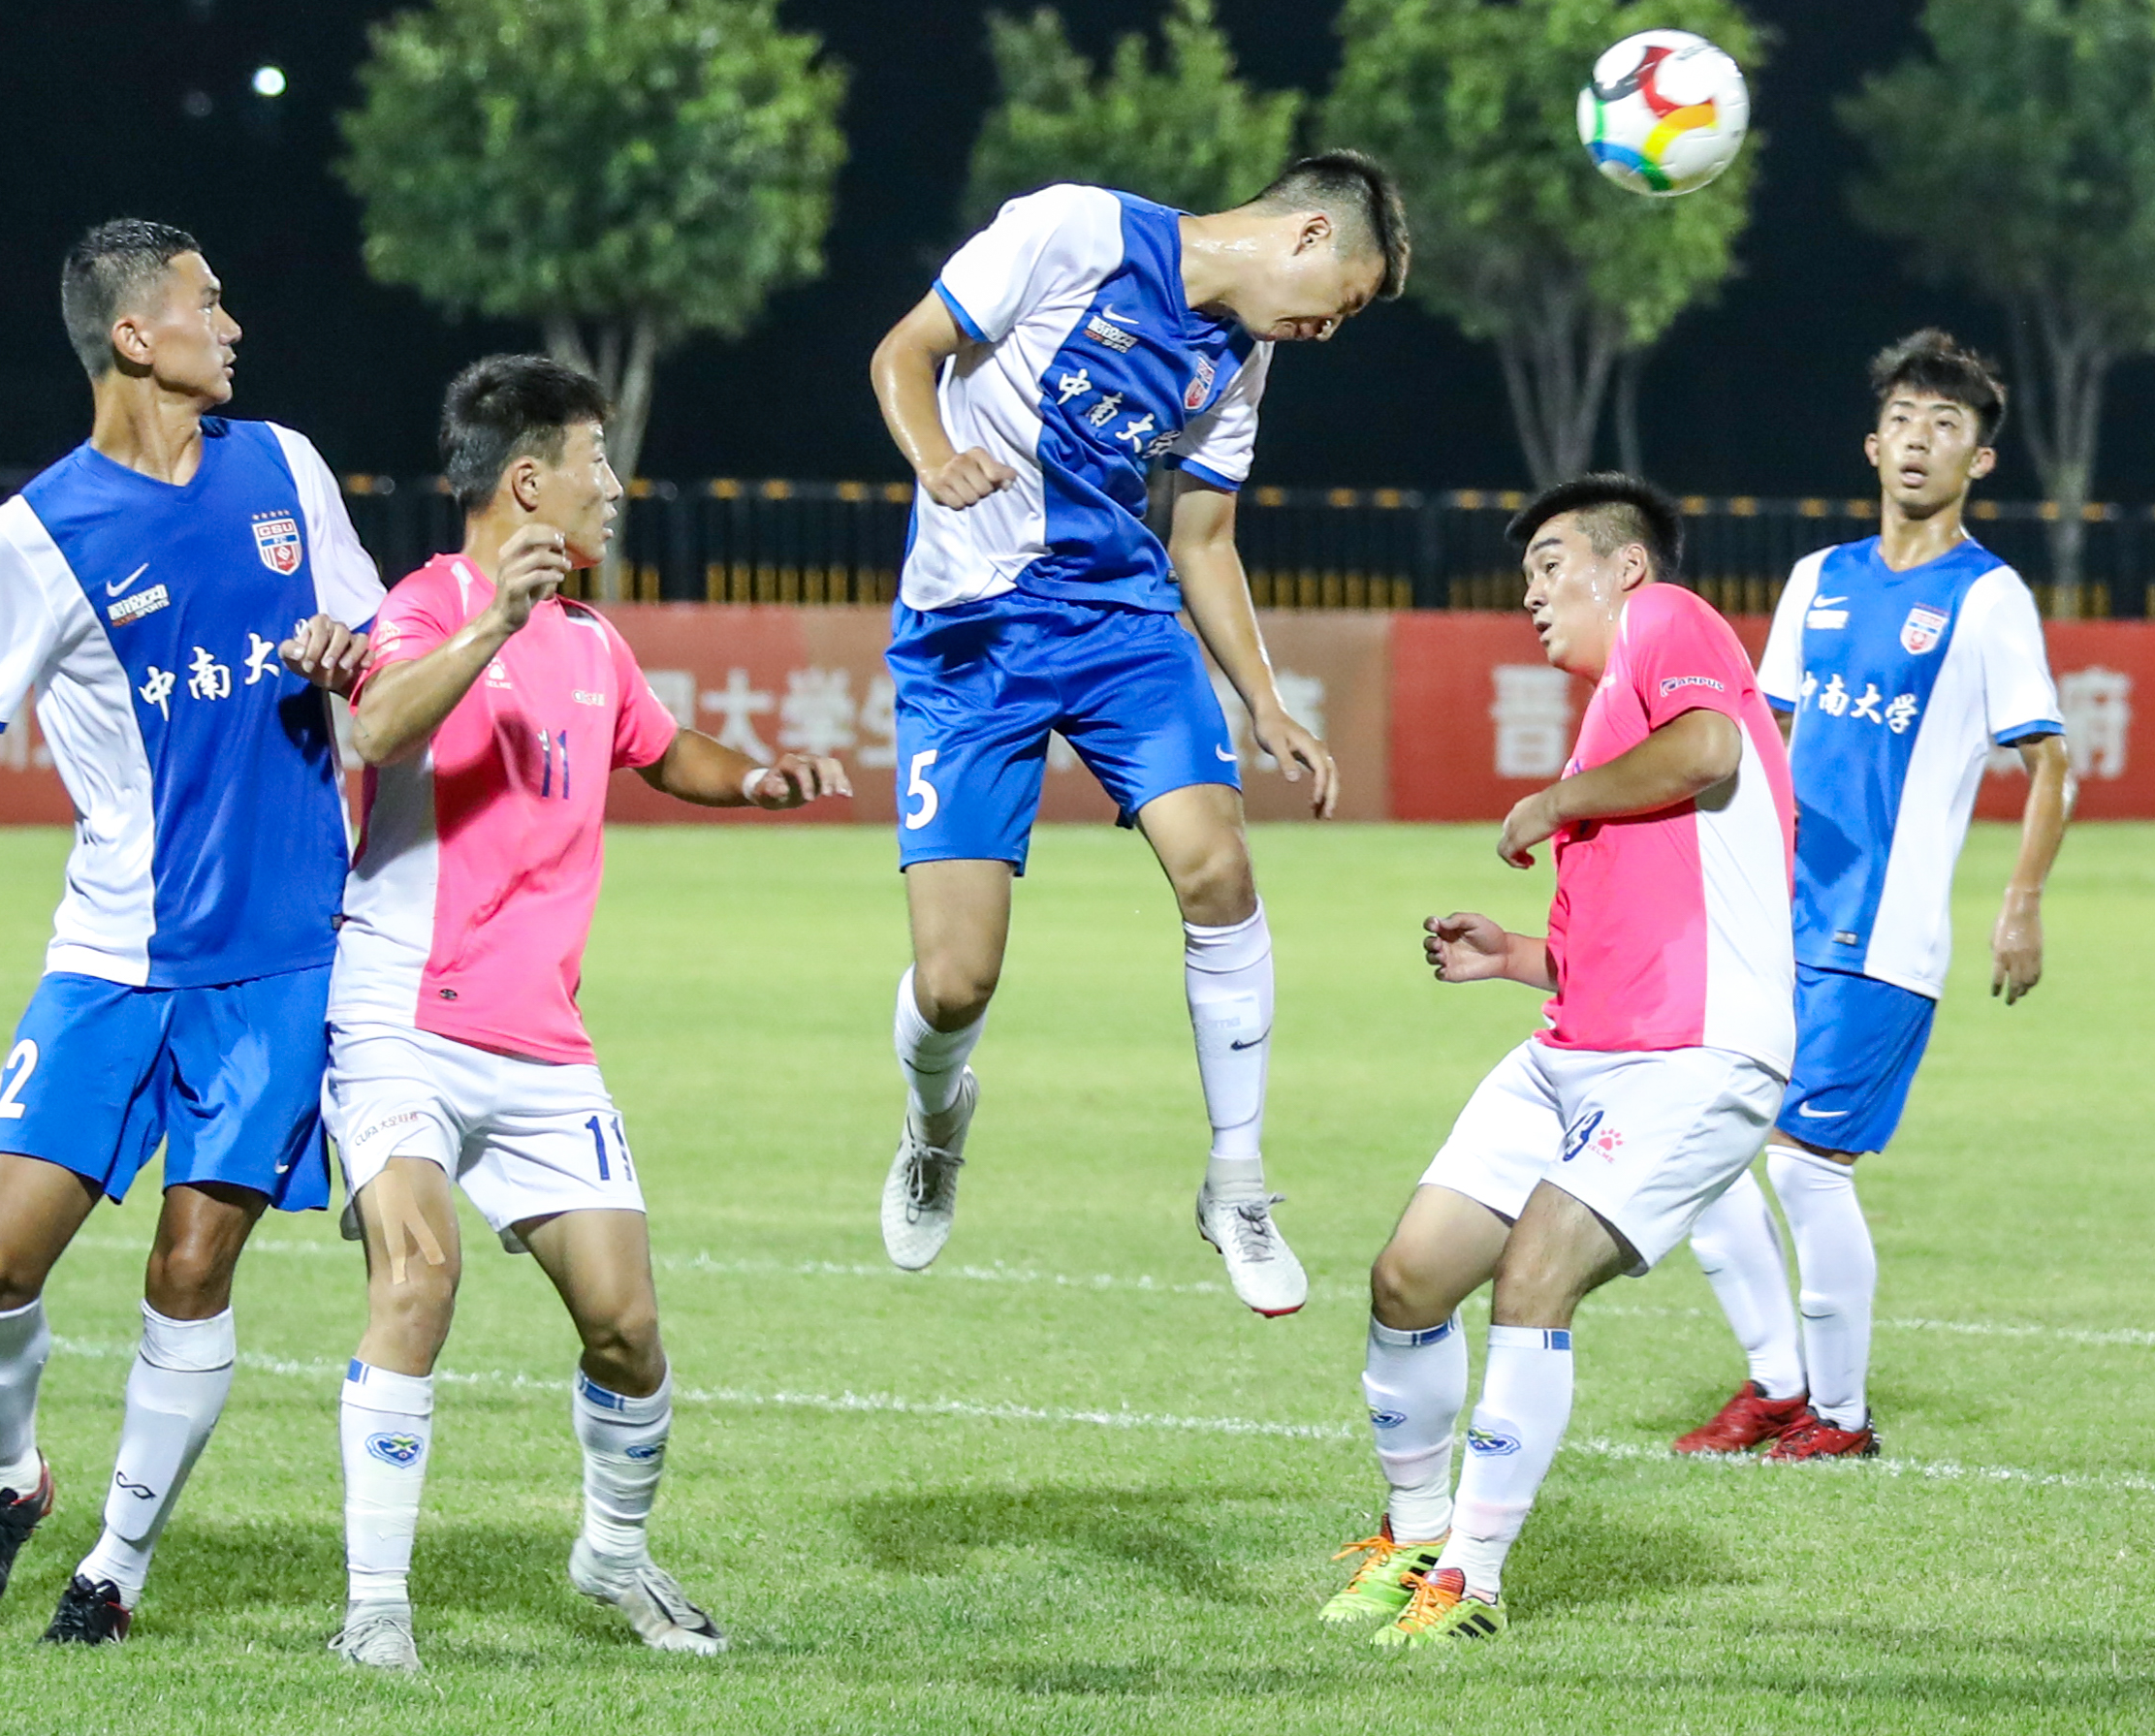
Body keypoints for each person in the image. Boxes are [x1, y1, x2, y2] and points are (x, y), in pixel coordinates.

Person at [0, 219, 382, 1643]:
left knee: (192, 1268)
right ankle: (11, 1479)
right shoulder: (36, 535)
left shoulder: (285, 468)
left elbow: (380, 642)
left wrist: (350, 651)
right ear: (135, 336)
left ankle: (113, 1571)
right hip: (113, 955)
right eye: (208, 302)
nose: (232, 325)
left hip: (280, 956)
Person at [319, 354, 849, 1672]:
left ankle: (613, 1555)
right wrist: (490, 627)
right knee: (417, 1272)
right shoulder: (422, 607)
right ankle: (375, 1606)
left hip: (543, 1043)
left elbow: (664, 750)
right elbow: (376, 727)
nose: (613, 485)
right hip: (401, 1017)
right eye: (595, 461)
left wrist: (758, 780)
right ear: (526, 481)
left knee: (627, 1328)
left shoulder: (592, 643)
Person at [865, 151, 1410, 1314]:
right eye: (1346, 303)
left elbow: (1201, 540)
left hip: (1121, 626)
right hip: (971, 632)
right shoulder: (1075, 231)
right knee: (955, 983)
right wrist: (936, 459)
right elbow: (902, 354)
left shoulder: (1243, 355)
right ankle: (934, 1120)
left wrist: (1264, 700)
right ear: (1309, 236)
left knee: (1218, 868)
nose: (1331, 330)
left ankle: (1236, 1183)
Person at [1319, 476, 1794, 1645]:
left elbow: (1708, 748)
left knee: (1534, 1275)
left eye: (1549, 566)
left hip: (1693, 1056)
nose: (1529, 593)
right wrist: (1515, 956)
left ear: (1623, 568)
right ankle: (1415, 1536)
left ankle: (1470, 1583)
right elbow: (1634, 935)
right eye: (1524, 574)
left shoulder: (1667, 618)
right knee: (1409, 1276)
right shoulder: (1608, 714)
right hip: (1579, 1045)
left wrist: (1550, 802)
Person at [1673, 331, 2071, 1462]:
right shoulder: (1818, 579)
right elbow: (1765, 735)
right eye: (1902, 420)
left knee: (1804, 1167)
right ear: (1871, 444)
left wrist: (2021, 902)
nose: (1917, 441)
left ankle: (1841, 1418)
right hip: (1772, 916)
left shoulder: (1987, 599)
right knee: (1698, 1151)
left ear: (1977, 460)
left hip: (1880, 933)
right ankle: (1775, 1384)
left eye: (1945, 426)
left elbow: (2047, 760)